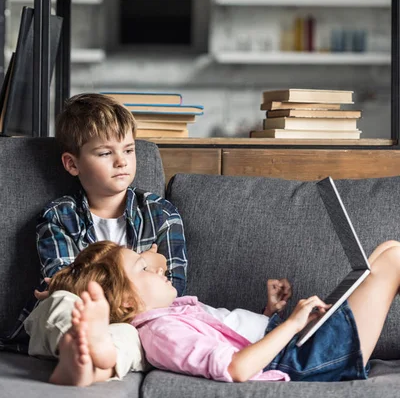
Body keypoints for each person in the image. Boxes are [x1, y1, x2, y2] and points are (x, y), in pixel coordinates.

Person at [6, 93, 187, 381]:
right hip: (78, 311)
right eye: (105, 153)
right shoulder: (57, 216)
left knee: (138, 333)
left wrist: (155, 270)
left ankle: (91, 363)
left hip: (136, 320)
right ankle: (77, 348)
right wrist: (146, 262)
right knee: (59, 303)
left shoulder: (161, 213)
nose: (121, 162)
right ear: (72, 164)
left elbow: (174, 289)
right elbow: (61, 280)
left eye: (128, 150)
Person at [48, 238, 400, 386]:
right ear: (127, 303)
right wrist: (292, 325)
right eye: (142, 268)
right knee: (392, 259)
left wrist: (271, 313)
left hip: (295, 349)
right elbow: (237, 367)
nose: (157, 268)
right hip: (304, 363)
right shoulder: (160, 332)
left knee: (388, 249)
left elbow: (233, 339)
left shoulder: (171, 313)